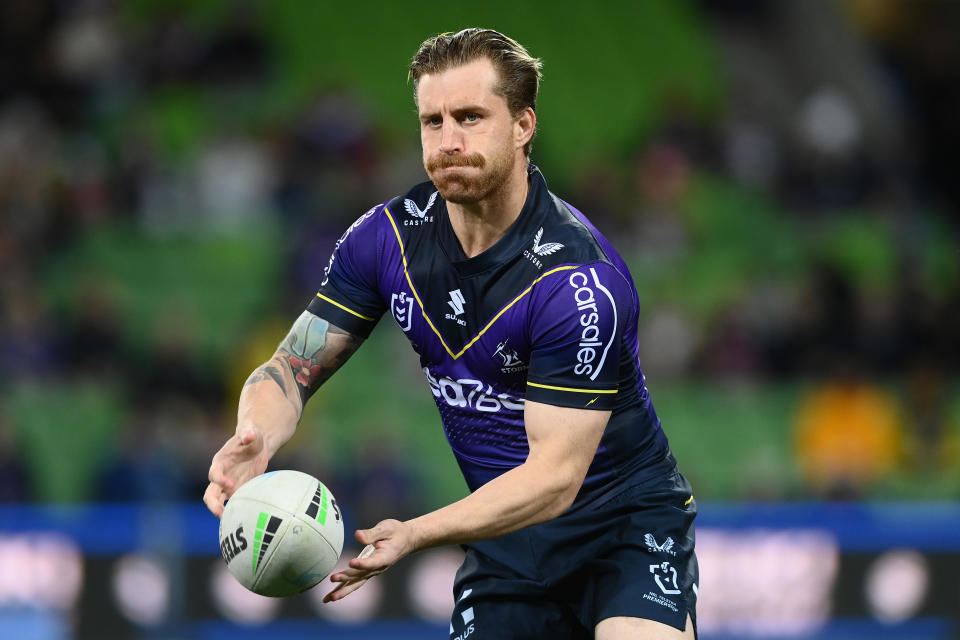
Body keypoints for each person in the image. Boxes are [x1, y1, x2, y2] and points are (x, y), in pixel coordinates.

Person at [204, 28, 698, 639]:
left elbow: (554, 479)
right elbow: (291, 368)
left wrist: (416, 532)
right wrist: (255, 433)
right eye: (432, 121)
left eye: (470, 117)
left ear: (523, 126)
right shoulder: (384, 239)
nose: (449, 141)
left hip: (622, 530)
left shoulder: (576, 282)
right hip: (506, 545)